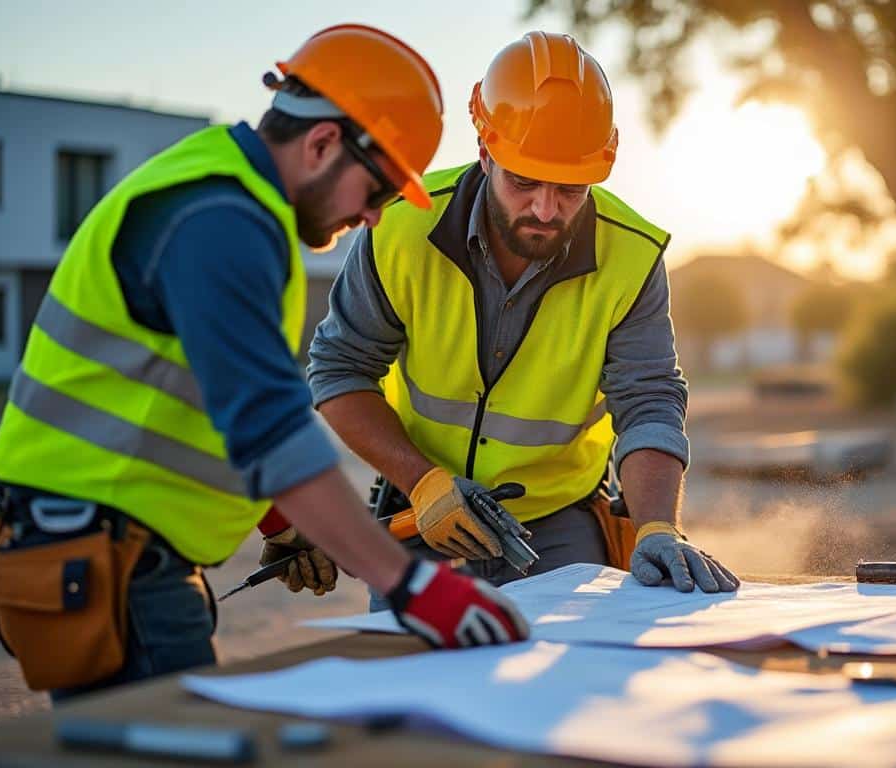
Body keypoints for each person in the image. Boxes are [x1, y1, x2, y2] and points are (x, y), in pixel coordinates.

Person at [0, 24, 527, 702]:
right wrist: (412, 584)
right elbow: (270, 429)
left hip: (103, 549)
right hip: (109, 560)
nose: (371, 217)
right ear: (324, 143)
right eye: (379, 190)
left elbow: (202, 402)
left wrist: (281, 523)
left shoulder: (228, 202)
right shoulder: (221, 222)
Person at [309, 31, 738, 608]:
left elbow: (650, 399)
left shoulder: (632, 258)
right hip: (424, 511)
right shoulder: (399, 228)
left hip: (557, 522)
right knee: (406, 683)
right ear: (486, 153)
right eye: (524, 181)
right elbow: (339, 371)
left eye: (569, 189)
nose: (545, 208)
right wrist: (424, 482)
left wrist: (656, 526)